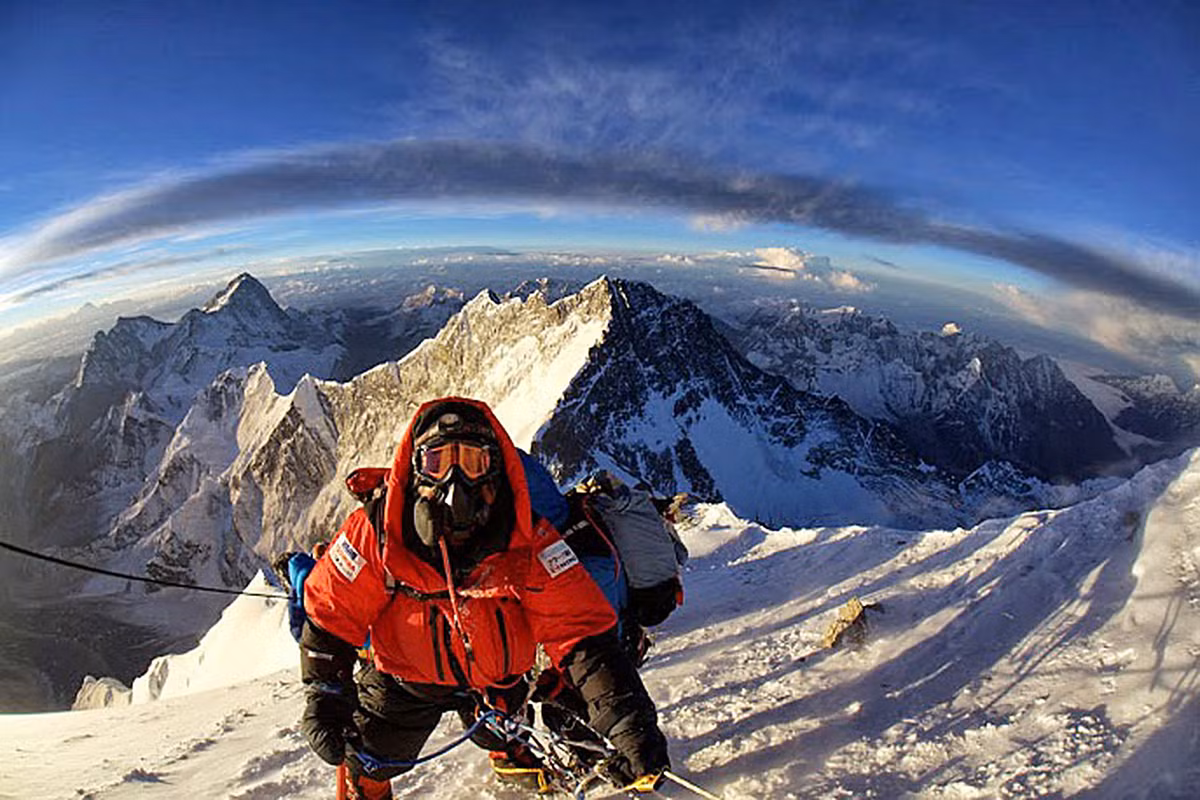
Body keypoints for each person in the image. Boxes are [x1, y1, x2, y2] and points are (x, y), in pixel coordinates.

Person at [298, 397, 670, 799]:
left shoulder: (529, 539)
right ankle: (366, 785)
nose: (455, 480)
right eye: (437, 463)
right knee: (368, 757)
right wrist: (326, 693)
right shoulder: (379, 531)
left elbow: (580, 635)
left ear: (496, 471)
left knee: (500, 722)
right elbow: (331, 613)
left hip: (497, 680)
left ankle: (507, 750)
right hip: (405, 681)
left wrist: (631, 724)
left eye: (473, 463)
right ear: (414, 469)